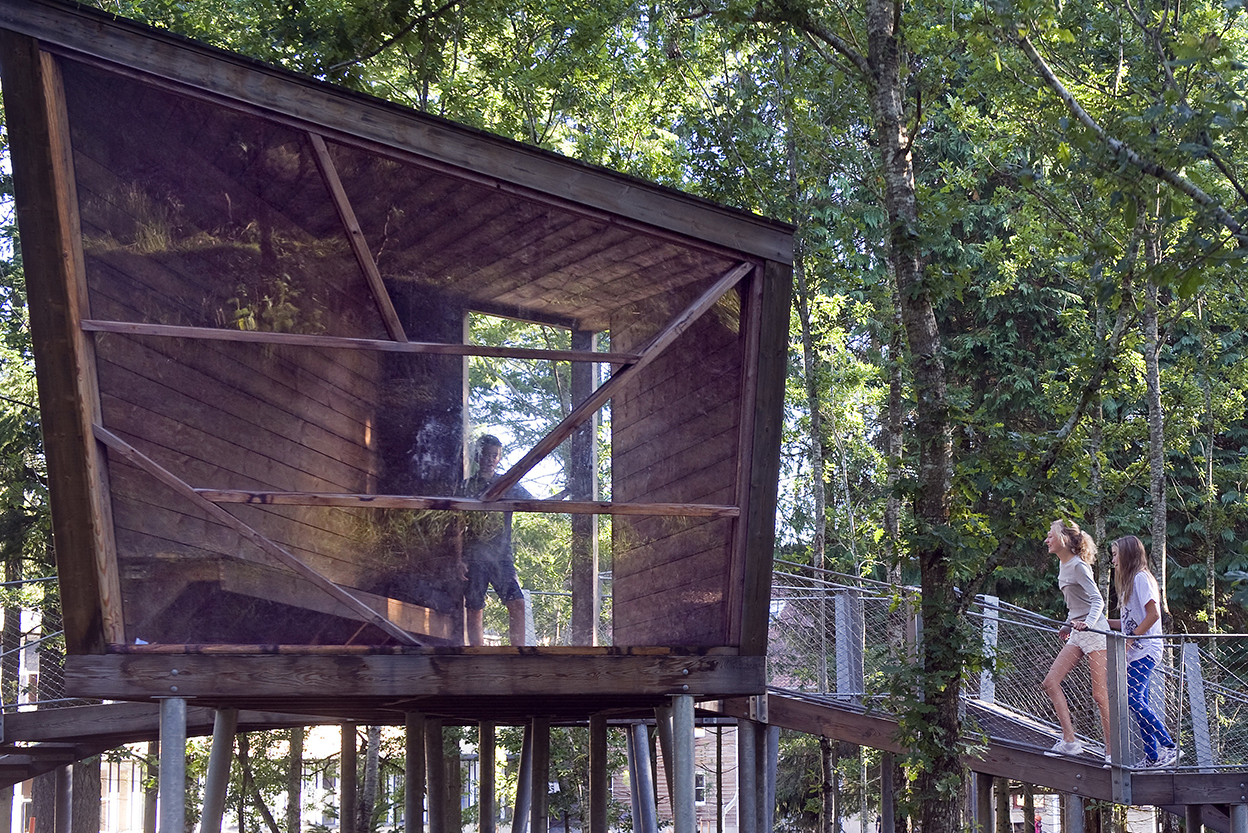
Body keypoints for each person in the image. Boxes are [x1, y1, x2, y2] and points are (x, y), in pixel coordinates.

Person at [1108, 535, 1180, 768]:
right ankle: (1152, 756)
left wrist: (1131, 640)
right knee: (1140, 701)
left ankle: (1169, 746)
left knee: (1132, 698)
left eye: (1116, 554)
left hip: (1146, 649)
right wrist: (1098, 621)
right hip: (1137, 651)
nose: (1113, 560)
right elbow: (1126, 622)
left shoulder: (1141, 578)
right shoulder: (1130, 583)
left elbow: (1153, 615)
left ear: (1127, 555)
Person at [1042, 519, 1111, 756]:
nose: (1046, 540)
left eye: (1050, 535)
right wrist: (1067, 625)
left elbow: (1097, 600)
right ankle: (1070, 741)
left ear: (1063, 538)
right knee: (1050, 682)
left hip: (1093, 633)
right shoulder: (1063, 565)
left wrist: (1088, 624)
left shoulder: (1079, 567)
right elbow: (1076, 606)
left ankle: (1113, 753)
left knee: (1100, 695)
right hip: (1077, 632)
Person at [462, 434, 531, 646]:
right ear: (476, 456)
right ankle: (477, 653)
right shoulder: (467, 487)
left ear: (499, 458)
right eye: (486, 454)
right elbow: (455, 525)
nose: (490, 459)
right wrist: (459, 559)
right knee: (474, 606)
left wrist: (564, 494)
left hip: (501, 555)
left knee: (517, 602)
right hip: (474, 555)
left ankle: (516, 653)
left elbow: (535, 503)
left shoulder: (506, 484)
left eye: (495, 455)